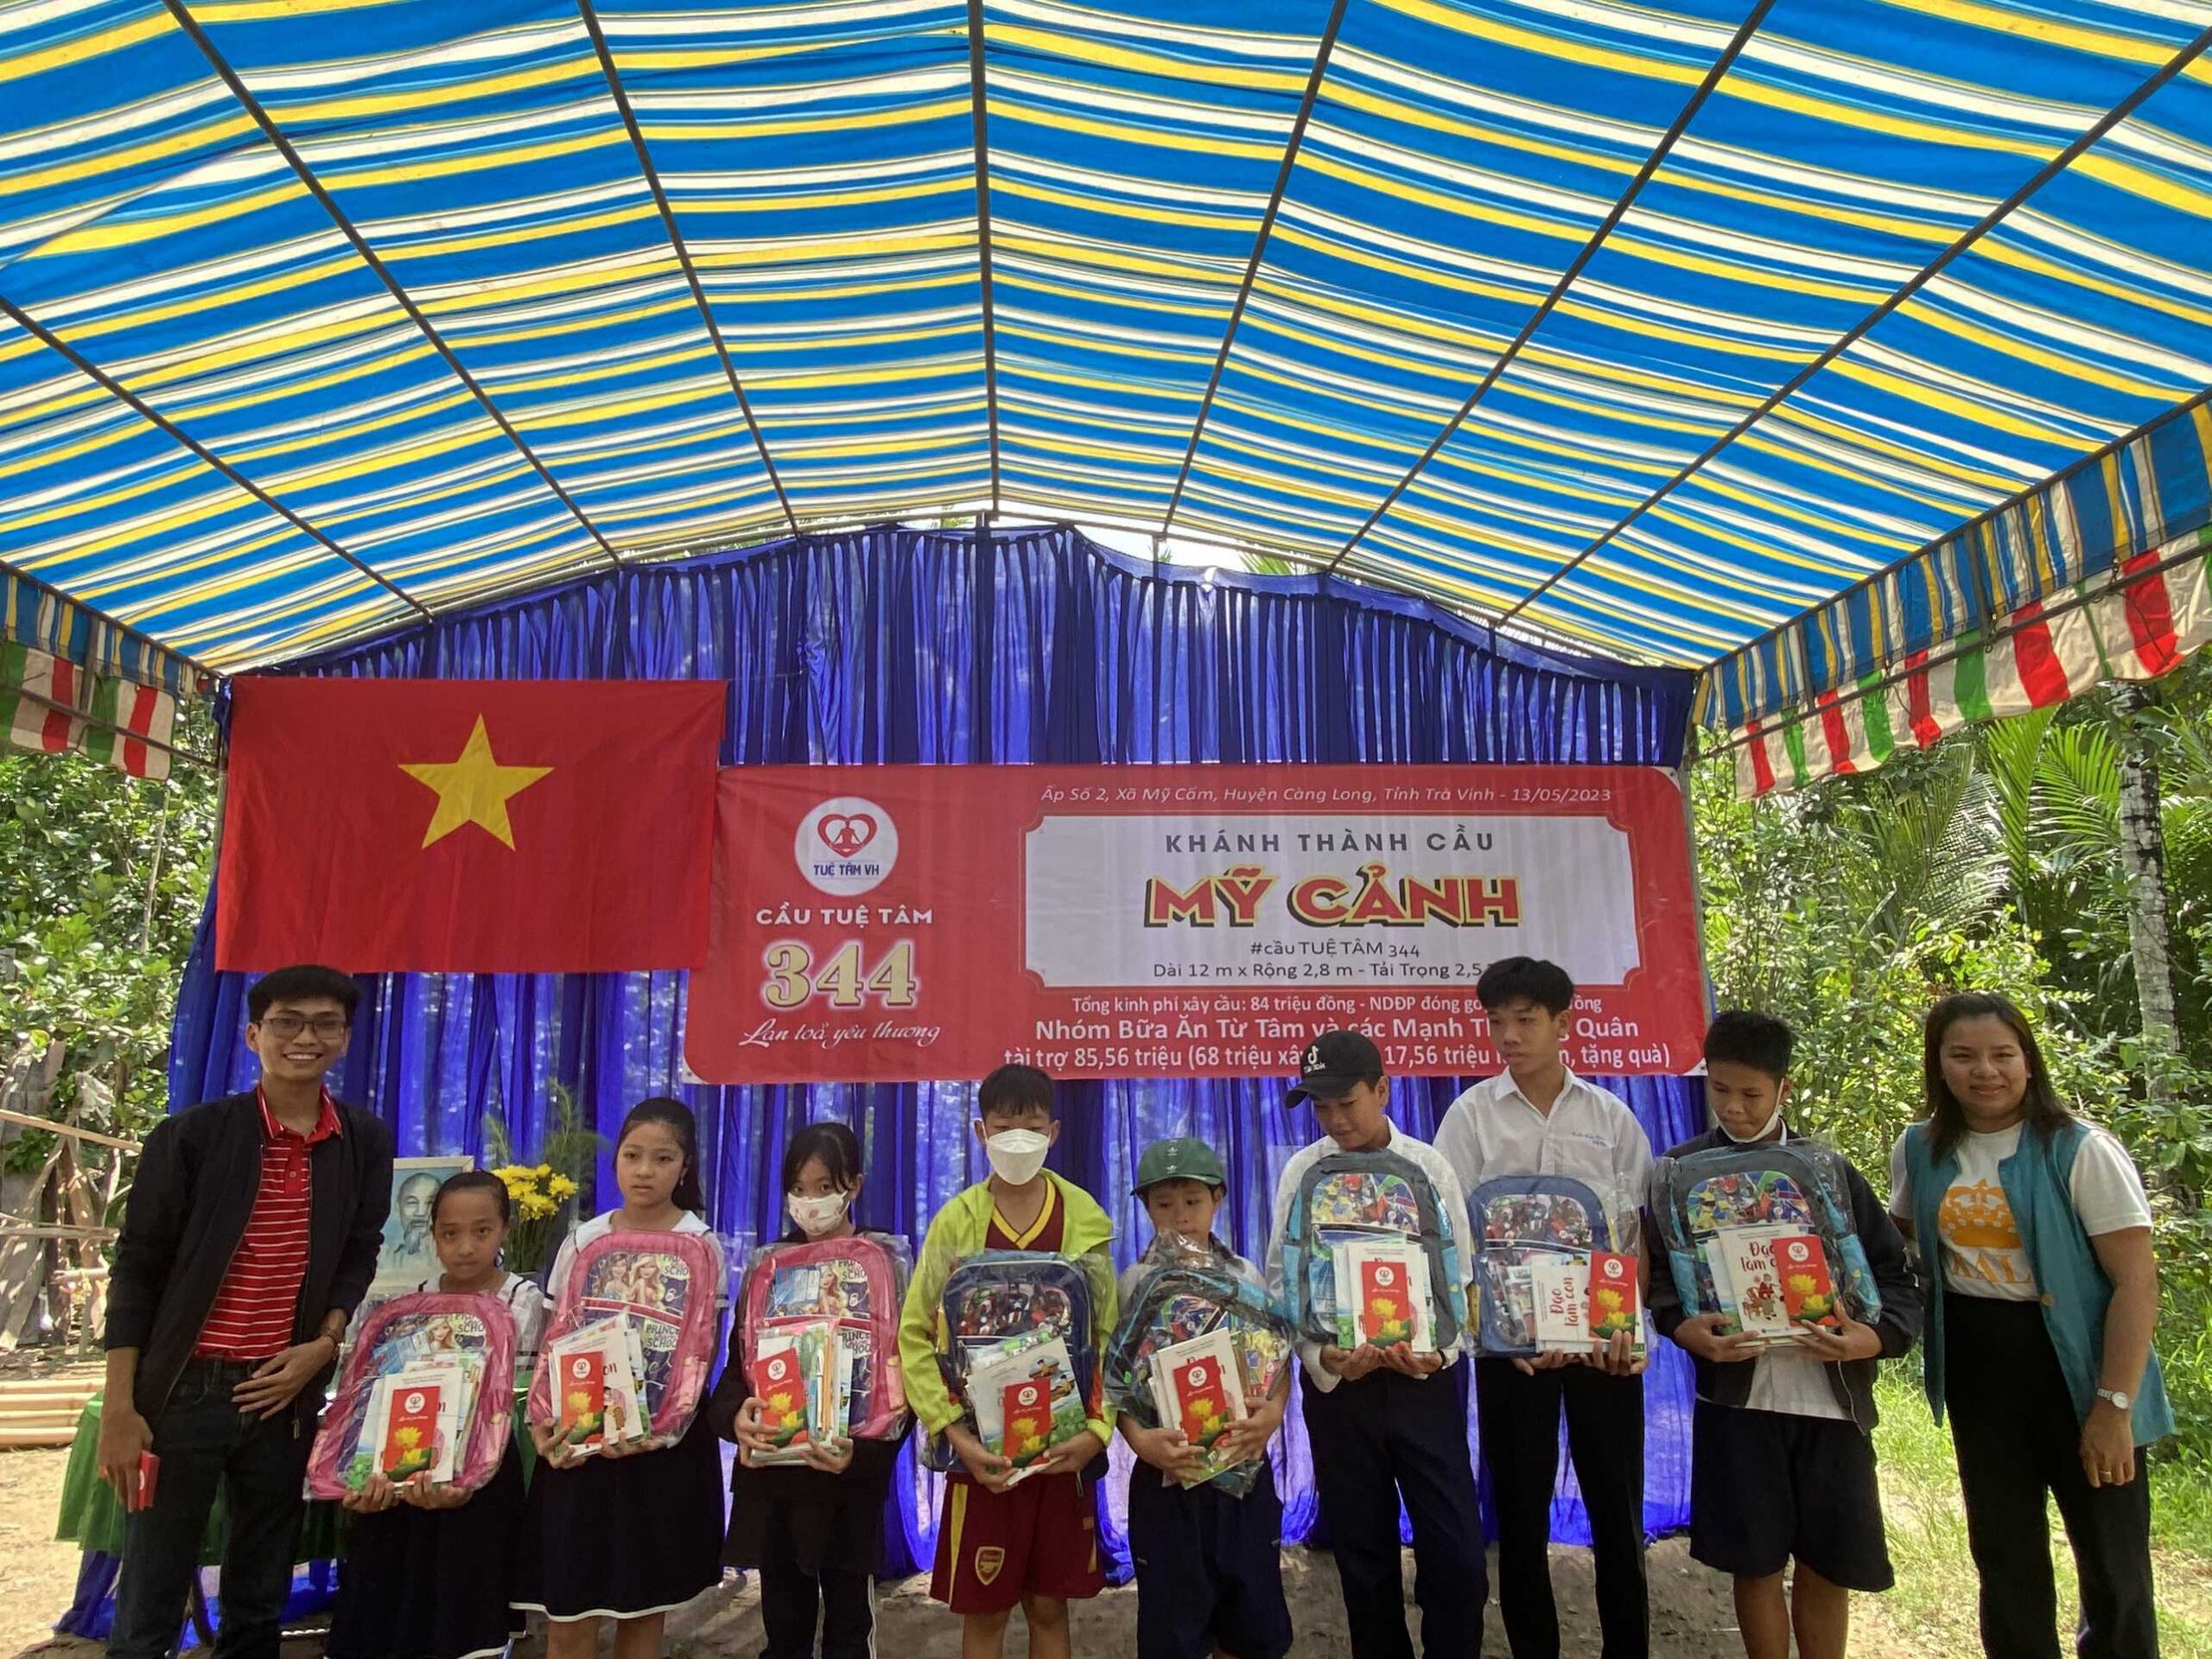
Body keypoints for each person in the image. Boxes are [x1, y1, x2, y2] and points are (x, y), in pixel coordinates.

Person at [99, 964, 394, 1659]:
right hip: (182, 1392)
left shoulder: (363, 1141)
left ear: (345, 1038)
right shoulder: (192, 1137)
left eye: (324, 1023)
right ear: (253, 1035)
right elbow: (137, 1270)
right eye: (287, 1022)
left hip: (284, 1395)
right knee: (149, 1599)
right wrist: (120, 1407)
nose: (305, 1037)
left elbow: (360, 1251)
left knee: (260, 1598)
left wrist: (324, 1344)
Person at [1891, 992, 2170, 1659]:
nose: (1984, 1071)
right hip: (1980, 1368)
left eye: (2002, 1055)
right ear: (1939, 1064)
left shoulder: (2081, 1150)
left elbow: (2136, 1282)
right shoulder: (1919, 1148)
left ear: (2028, 1061)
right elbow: (1898, 1244)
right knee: (2005, 1555)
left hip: (2080, 1370)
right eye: (1963, 1056)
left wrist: (2113, 1407)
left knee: (2113, 1566)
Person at [1649, 1012, 1921, 1659]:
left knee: (1829, 1563)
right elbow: (1660, 1278)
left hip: (1831, 1403)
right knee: (1755, 1563)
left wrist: (1873, 1339)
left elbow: (1897, 1275)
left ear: (1784, 1089)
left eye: (1751, 1093)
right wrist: (1685, 1330)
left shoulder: (1826, 1172)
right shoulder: (1678, 1175)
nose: (1735, 1108)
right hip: (1738, 1402)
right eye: (1720, 1090)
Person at [1434, 957, 1652, 1659]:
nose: (1509, 1035)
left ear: (1563, 1023)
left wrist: (1624, 1331)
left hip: (1603, 1350)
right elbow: (1455, 1241)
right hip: (1513, 1356)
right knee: (1520, 1518)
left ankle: (1628, 1649)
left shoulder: (1610, 1118)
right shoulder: (1470, 1117)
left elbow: (1631, 1235)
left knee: (1617, 1514)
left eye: (1525, 1020)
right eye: (1497, 1022)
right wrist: (1496, 1335)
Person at [1264, 1030, 1486, 1659]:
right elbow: (1282, 1283)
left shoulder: (1428, 1167)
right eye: (1321, 1107)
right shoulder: (1302, 1172)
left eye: (1347, 1103)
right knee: (1363, 1558)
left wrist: (1439, 1353)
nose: (1335, 1119)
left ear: (1383, 1090)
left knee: (1457, 1557)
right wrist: (1320, 1357)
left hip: (1423, 1384)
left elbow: (1460, 1277)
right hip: (1341, 1390)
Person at [896, 1065, 1116, 1659]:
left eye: (1033, 1127)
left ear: (1055, 1133)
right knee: (985, 1610)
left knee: (1049, 1606)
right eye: (1003, 1127)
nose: (1018, 1139)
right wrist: (954, 1433)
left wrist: (1096, 1433)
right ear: (979, 1132)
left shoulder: (1084, 1218)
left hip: (1063, 1452)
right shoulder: (956, 1220)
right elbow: (915, 1334)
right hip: (981, 1457)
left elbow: (1108, 1337)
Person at [518, 1099, 728, 1659]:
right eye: (632, 1156)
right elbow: (556, 1336)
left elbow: (701, 1351)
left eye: (662, 1158)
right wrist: (545, 1423)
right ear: (615, 1161)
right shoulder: (584, 1240)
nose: (644, 1171)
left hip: (658, 1452)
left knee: (642, 1608)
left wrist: (660, 1427)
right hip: (578, 1444)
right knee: (569, 1613)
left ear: (685, 1166)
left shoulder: (701, 1244)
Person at [330, 1170, 548, 1659]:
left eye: (482, 1231)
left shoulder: (525, 1303)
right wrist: (366, 1476)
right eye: (450, 1234)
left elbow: (519, 1403)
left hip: (482, 1483)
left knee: (465, 1623)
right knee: (395, 1613)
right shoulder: (408, 1305)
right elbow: (377, 1399)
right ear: (433, 1234)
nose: (466, 1247)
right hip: (406, 1477)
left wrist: (465, 1476)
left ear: (506, 1228)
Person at [710, 1122, 907, 1659]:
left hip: (847, 1484)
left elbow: (900, 1386)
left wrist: (862, 1455)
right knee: (784, 1632)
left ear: (855, 1185)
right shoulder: (768, 1271)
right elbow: (735, 1372)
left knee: (849, 1631)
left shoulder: (881, 1267)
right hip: (776, 1486)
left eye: (825, 1187)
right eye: (798, 1188)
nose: (810, 1201)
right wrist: (737, 1418)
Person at [1116, 1136, 1293, 1659]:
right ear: (1146, 1208)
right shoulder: (1133, 1284)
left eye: (1193, 1201)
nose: (1181, 1216)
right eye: (1164, 1204)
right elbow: (1115, 1383)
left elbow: (1278, 1362)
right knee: (1174, 1628)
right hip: (1168, 1478)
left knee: (1250, 1623)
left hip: (1243, 1473)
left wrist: (1273, 1414)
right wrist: (1141, 1441)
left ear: (1218, 1199)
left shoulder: (1245, 1276)